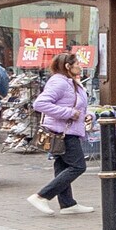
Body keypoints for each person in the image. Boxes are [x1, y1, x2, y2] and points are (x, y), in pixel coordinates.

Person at [25, 51, 93, 216]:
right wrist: (69, 113)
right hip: (63, 132)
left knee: (62, 167)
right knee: (78, 166)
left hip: (67, 130)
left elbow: (79, 106)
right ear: (68, 66)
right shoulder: (59, 82)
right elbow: (40, 104)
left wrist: (89, 115)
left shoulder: (71, 82)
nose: (80, 66)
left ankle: (67, 204)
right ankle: (41, 196)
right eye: (77, 64)